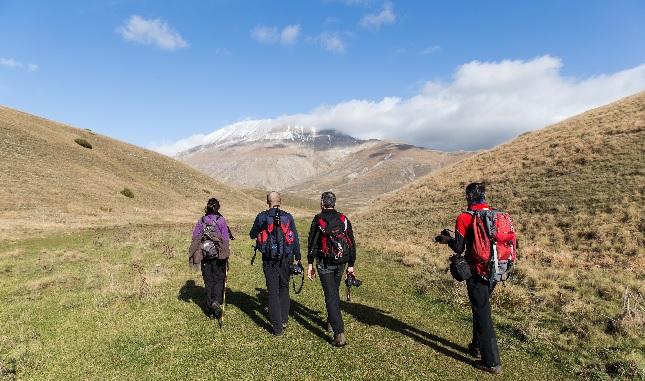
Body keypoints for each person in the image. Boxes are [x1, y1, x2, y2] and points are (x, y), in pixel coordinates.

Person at [435, 183, 503, 374]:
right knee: (480, 307)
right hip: (495, 270)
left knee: (482, 313)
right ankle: (476, 346)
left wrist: (447, 239)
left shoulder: (465, 218)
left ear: (468, 197)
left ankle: (492, 362)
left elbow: (458, 247)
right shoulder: (495, 215)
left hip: (477, 271)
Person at [307, 191, 356, 347]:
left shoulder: (318, 219)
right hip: (341, 262)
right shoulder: (343, 219)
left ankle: (339, 333)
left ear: (322, 202)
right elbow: (351, 242)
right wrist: (351, 265)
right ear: (334, 203)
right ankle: (330, 321)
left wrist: (310, 264)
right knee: (333, 292)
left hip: (324, 263)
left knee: (330, 296)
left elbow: (312, 243)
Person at [249, 191, 302, 336]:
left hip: (268, 259)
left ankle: (277, 327)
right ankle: (283, 319)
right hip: (286, 258)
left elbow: (252, 234)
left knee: (272, 291)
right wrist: (298, 257)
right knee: (284, 288)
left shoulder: (262, 216)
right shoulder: (288, 216)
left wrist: (261, 229)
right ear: (280, 201)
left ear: (268, 201)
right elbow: (295, 238)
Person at [189, 198, 232, 320]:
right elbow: (225, 239)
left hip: (205, 255)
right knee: (219, 279)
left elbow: (195, 238)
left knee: (208, 281)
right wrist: (226, 254)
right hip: (219, 256)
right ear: (218, 208)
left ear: (207, 207)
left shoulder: (201, 221)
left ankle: (210, 309)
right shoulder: (221, 220)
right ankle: (216, 303)